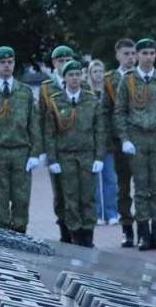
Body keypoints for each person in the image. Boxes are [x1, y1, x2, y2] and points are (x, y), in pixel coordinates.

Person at [114, 37, 156, 249]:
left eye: (152, 53)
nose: (149, 57)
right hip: (137, 137)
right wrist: (124, 139)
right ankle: (143, 233)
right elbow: (120, 111)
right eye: (145, 53)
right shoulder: (128, 79)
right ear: (138, 55)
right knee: (141, 187)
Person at [0, 46, 40, 234]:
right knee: (0, 198)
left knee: (22, 198)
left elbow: (33, 124)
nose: (7, 66)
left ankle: (20, 234)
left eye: (10, 62)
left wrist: (35, 153)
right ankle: (3, 236)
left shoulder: (25, 92)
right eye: (2, 62)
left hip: (21, 152)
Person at [43, 59, 105, 247]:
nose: (75, 78)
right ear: (65, 77)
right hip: (65, 156)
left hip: (87, 155)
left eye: (78, 74)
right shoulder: (55, 101)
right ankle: (76, 237)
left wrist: (99, 157)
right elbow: (50, 132)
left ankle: (88, 237)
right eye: (71, 75)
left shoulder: (91, 99)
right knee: (70, 198)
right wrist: (52, 158)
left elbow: (100, 130)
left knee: (88, 198)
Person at [101, 38, 138, 246]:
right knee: (123, 188)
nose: (131, 58)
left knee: (144, 187)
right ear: (117, 56)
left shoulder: (141, 77)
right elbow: (105, 111)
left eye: (133, 54)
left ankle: (144, 228)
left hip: (141, 138)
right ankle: (127, 229)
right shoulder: (110, 80)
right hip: (118, 142)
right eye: (126, 54)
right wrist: (108, 142)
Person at [40, 45, 78, 242]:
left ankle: (80, 234)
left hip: (79, 147)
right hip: (56, 147)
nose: (64, 64)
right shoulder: (47, 87)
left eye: (67, 60)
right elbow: (42, 120)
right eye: (60, 61)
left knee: (79, 192)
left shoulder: (79, 82)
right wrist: (44, 151)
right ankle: (64, 232)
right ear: (54, 63)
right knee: (61, 194)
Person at [87, 58, 118, 226]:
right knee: (93, 181)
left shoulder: (109, 92)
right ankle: (97, 214)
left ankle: (111, 213)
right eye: (95, 71)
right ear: (90, 74)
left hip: (107, 143)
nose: (98, 75)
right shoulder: (87, 93)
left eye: (100, 71)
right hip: (91, 143)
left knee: (110, 179)